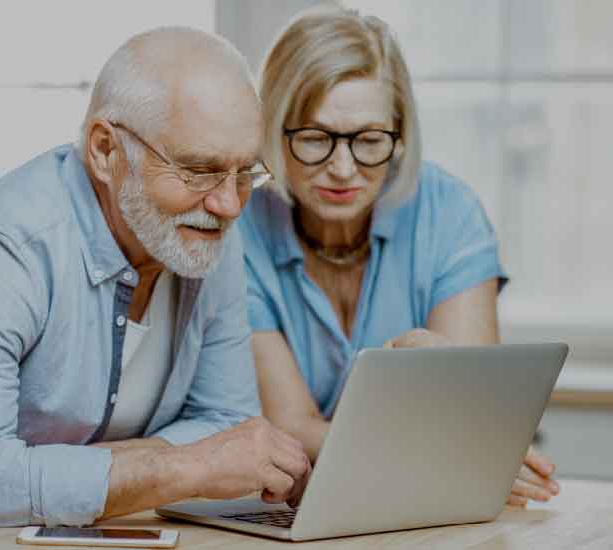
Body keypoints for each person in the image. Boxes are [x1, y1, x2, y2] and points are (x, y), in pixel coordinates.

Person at [0, 27, 310, 549]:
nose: (229, 204)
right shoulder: (1, 246)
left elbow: (228, 423)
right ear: (106, 150)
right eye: (198, 170)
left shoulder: (206, 230)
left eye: (245, 173)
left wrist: (124, 472)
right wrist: (184, 465)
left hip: (105, 530)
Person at [238, 7, 558, 509]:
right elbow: (291, 430)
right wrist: (444, 448)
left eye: (369, 141)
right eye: (316, 139)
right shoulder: (242, 231)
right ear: (273, 131)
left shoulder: (448, 211)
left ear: (400, 137)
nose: (343, 168)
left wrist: (464, 442)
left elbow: (471, 412)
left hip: (428, 502)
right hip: (301, 499)